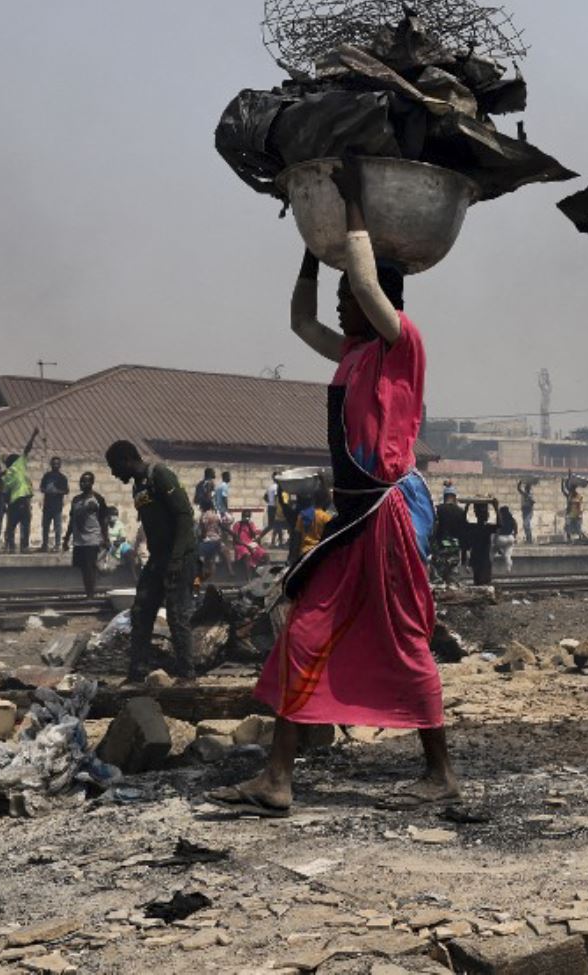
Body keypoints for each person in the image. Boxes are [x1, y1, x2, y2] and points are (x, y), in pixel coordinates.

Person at [212, 164, 453, 817]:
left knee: (406, 637)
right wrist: (308, 242)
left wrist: (349, 203)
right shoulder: (350, 354)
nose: (342, 307)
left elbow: (371, 281)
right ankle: (277, 778)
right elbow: (298, 320)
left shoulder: (402, 342)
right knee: (303, 633)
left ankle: (440, 771)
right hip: (352, 520)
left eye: (349, 297)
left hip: (390, 513)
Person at [105, 440, 197, 682]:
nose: (114, 474)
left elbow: (184, 517)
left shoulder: (160, 475)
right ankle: (137, 672)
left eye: (114, 467)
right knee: (141, 611)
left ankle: (187, 675)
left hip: (179, 556)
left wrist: (177, 560)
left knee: (177, 615)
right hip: (158, 559)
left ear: (126, 460)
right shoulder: (137, 487)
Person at [63, 471, 111, 596]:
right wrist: (66, 539)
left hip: (92, 539)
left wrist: (106, 538)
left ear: (92, 483)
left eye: (86, 481)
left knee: (90, 568)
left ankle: (90, 595)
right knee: (84, 568)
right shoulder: (76, 500)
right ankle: (89, 591)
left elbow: (103, 520)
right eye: (81, 481)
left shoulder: (97, 499)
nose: (83, 484)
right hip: (79, 540)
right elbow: (71, 520)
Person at [1, 429, 40, 553]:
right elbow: (27, 450)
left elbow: (5, 492)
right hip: (24, 500)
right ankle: (24, 547)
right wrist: (33, 436)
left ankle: (11, 547)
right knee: (25, 524)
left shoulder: (6, 474)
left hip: (13, 502)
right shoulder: (19, 465)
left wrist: (6, 504)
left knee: (11, 526)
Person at [36, 457, 69, 551]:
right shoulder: (47, 476)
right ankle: (44, 545)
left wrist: (56, 491)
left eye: (57, 464)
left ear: (60, 465)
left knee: (57, 527)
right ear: (51, 464)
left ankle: (57, 545)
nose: (55, 465)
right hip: (47, 506)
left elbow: (66, 491)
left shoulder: (62, 478)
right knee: (45, 526)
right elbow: (41, 488)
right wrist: (47, 490)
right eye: (54, 463)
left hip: (57, 507)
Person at [231, 508, 267, 578]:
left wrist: (251, 528)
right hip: (241, 545)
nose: (246, 518)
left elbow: (253, 536)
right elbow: (236, 539)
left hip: (250, 544)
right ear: (242, 516)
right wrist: (247, 546)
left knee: (266, 555)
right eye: (245, 516)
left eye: (248, 517)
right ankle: (249, 577)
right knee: (247, 555)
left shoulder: (251, 524)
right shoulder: (237, 525)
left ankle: (265, 575)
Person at [467, 501, 495, 586]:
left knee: (478, 582)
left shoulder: (473, 527)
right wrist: (496, 507)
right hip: (484, 560)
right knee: (484, 583)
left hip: (477, 559)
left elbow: (463, 522)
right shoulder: (488, 527)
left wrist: (467, 506)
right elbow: (499, 524)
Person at [494, 503, 518, 573]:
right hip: (510, 538)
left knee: (493, 549)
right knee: (508, 555)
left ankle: (499, 550)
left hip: (501, 538)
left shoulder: (500, 519)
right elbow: (516, 529)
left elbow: (497, 531)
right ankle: (508, 568)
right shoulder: (512, 519)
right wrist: (514, 536)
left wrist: (495, 540)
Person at [263, 470, 284, 545]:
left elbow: (265, 497)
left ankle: (275, 542)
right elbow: (276, 498)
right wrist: (277, 508)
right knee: (276, 525)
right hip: (275, 508)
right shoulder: (277, 487)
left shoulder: (270, 487)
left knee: (274, 526)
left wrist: (270, 502)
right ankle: (278, 543)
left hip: (270, 507)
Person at [517, 478, 537, 546]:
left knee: (526, 524)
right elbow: (519, 489)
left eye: (527, 488)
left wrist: (529, 499)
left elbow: (533, 502)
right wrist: (520, 482)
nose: (526, 489)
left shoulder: (530, 495)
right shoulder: (524, 493)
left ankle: (530, 539)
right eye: (525, 488)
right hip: (524, 510)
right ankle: (528, 539)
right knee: (525, 525)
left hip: (528, 511)